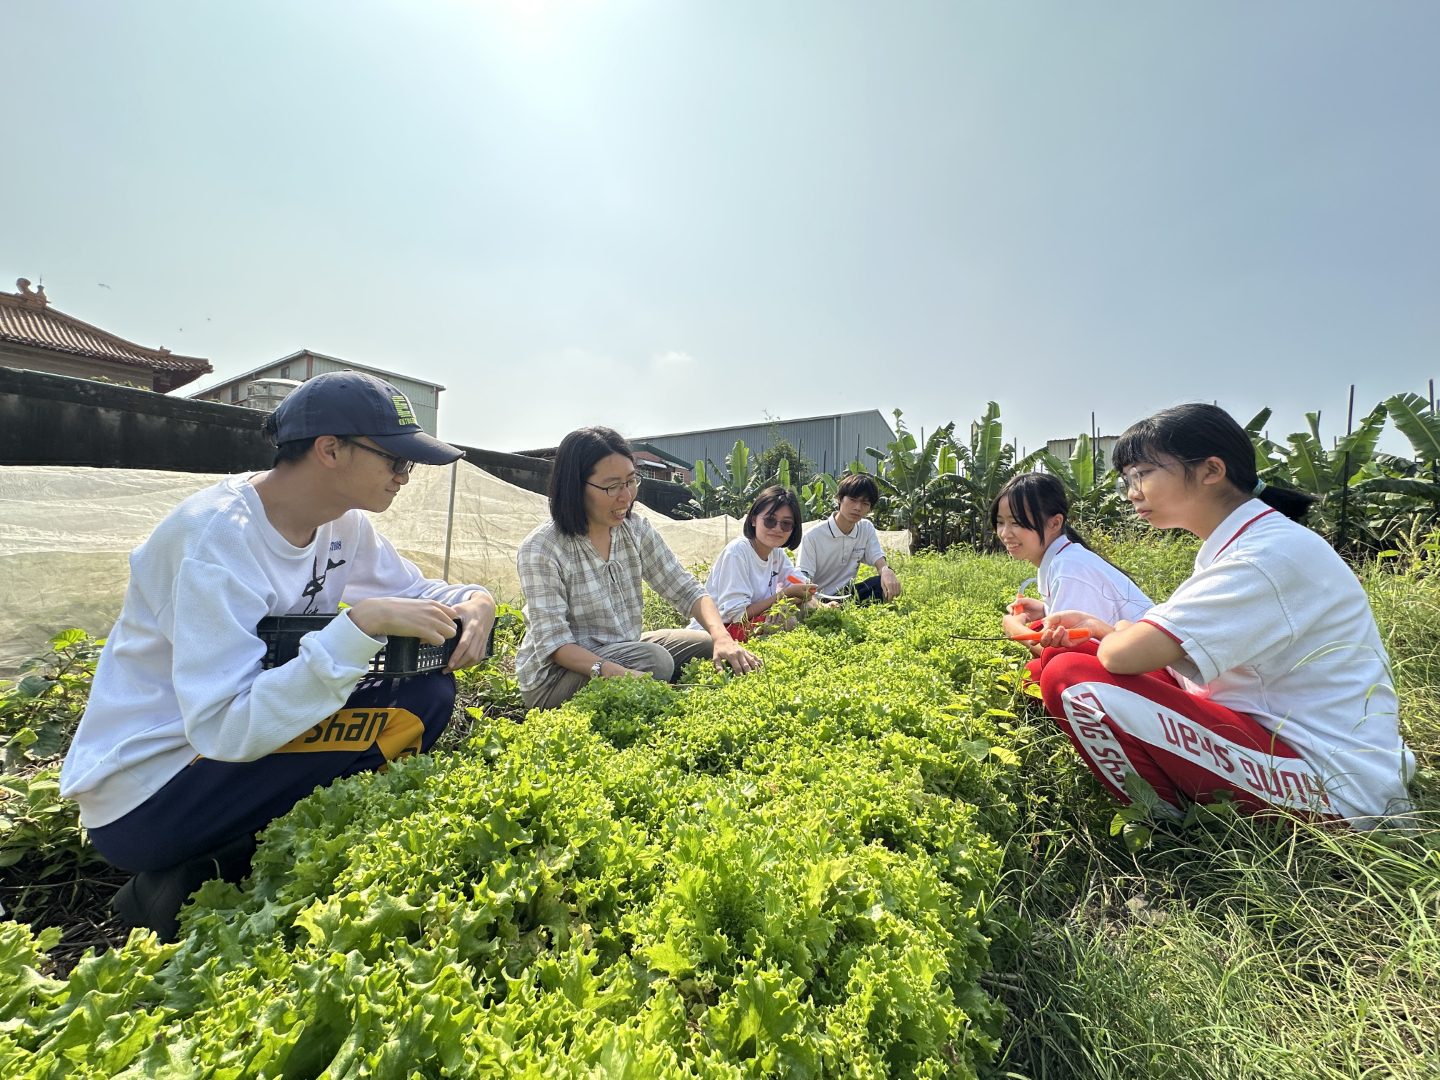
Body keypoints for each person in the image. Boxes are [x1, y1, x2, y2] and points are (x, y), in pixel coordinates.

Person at [59, 370, 497, 939]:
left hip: (223, 756)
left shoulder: (343, 524)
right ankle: (200, 872)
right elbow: (223, 727)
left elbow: (415, 590)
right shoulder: (215, 538)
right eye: (394, 458)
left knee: (424, 694)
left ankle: (236, 858)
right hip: (154, 789)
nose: (404, 475)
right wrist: (358, 626)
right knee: (404, 709)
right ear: (330, 450)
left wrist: (476, 599)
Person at [1032, 403, 1414, 828]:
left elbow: (1126, 656)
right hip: (1275, 734)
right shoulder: (1244, 541)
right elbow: (1152, 647)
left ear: (1211, 470)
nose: (1131, 492)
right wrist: (1103, 630)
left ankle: (1167, 827)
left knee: (1072, 678)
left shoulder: (1263, 556)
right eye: (1127, 479)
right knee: (1069, 655)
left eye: (1142, 474)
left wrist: (1116, 632)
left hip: (1333, 783)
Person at [515, 426, 760, 710]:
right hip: (557, 677)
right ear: (575, 486)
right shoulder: (543, 548)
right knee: (655, 660)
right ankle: (643, 680)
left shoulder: (635, 531)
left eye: (631, 481)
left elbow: (686, 588)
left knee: (705, 644)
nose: (626, 496)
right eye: (612, 486)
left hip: (622, 649)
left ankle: (649, 673)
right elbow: (555, 644)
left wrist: (723, 638)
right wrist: (613, 671)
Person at [993, 472, 1152, 656]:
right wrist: (1045, 609)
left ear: (1055, 523)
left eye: (1016, 522)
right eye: (1000, 522)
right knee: (1041, 627)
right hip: (1143, 657)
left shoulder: (1069, 567)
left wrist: (1015, 630)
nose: (1005, 533)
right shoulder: (1066, 558)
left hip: (1157, 667)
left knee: (1054, 667)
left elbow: (1068, 654)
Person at [692, 486, 817, 640]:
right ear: (753, 520)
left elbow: (793, 579)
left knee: (807, 606)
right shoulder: (738, 552)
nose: (777, 529)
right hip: (718, 631)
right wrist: (783, 596)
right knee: (786, 619)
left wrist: (806, 591)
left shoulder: (776, 554)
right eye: (770, 521)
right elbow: (738, 615)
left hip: (744, 622)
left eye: (786, 524)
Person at [795, 473, 901, 602]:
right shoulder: (813, 536)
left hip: (847, 595)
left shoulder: (865, 528)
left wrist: (886, 571)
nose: (857, 508)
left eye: (865, 503)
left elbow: (877, 556)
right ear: (839, 498)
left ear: (870, 508)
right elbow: (803, 578)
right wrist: (815, 603)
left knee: (880, 584)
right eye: (853, 500)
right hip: (818, 598)